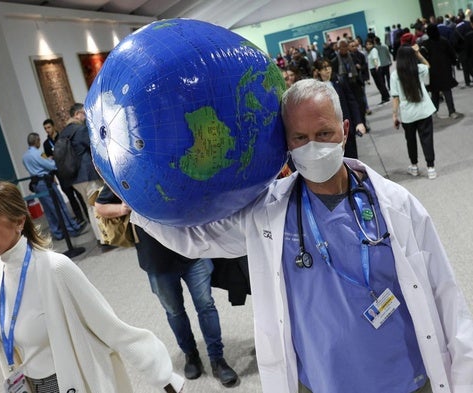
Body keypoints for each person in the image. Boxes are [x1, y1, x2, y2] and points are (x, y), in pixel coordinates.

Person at [132, 79, 473, 393]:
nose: (313, 147)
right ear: (286, 144)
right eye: (300, 138)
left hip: (408, 379)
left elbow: (446, 294)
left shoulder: (397, 205)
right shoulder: (267, 213)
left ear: (344, 131)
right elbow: (195, 237)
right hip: (320, 382)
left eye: (324, 134)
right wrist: (135, 194)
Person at [0, 181, 184, 393]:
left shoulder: (55, 268)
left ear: (18, 221)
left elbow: (112, 328)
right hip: (27, 385)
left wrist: (164, 378)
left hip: (68, 383)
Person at [94, 186, 239, 388]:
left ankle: (217, 359)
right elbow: (100, 206)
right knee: (174, 311)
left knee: (206, 305)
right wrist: (123, 209)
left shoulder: (172, 157)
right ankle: (191, 355)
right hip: (156, 258)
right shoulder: (127, 167)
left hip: (191, 248)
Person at [22, 132, 86, 240]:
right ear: (36, 141)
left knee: (48, 209)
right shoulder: (39, 153)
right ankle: (72, 228)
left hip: (36, 184)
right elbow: (50, 166)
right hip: (46, 182)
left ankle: (57, 232)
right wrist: (53, 161)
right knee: (59, 206)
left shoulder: (25, 156)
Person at [58, 103, 106, 248]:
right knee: (97, 206)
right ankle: (104, 238)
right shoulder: (80, 129)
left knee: (90, 206)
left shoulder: (64, 132)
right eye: (84, 113)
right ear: (77, 114)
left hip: (74, 178)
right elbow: (94, 146)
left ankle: (100, 237)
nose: (85, 116)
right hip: (87, 176)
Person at [391, 45, 437, 180]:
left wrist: (395, 115)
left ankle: (414, 166)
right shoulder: (418, 69)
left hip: (407, 114)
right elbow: (427, 65)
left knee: (410, 141)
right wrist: (418, 54)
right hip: (424, 110)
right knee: (427, 139)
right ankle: (431, 168)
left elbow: (395, 97)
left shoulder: (395, 75)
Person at [313, 58, 366, 159]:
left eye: (329, 67)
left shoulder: (339, 81)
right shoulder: (315, 88)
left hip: (345, 127)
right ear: (318, 71)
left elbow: (351, 102)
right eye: (324, 68)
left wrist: (359, 122)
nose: (328, 70)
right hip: (328, 131)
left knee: (352, 158)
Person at [42, 118, 88, 225]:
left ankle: (87, 214)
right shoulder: (46, 144)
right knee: (70, 196)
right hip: (60, 173)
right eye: (45, 129)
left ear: (53, 126)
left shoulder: (62, 136)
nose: (47, 130)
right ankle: (79, 217)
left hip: (70, 169)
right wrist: (53, 175)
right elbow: (49, 160)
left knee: (79, 194)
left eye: (48, 127)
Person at [420, 24, 463, 120]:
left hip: (432, 72)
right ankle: (451, 112)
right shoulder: (444, 41)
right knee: (447, 91)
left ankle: (434, 112)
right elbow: (451, 54)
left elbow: (422, 58)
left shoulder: (425, 44)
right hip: (445, 70)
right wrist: (454, 62)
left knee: (435, 93)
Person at [365, 38, 390, 105]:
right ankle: (385, 97)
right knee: (379, 84)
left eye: (370, 44)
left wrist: (376, 66)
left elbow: (375, 58)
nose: (368, 45)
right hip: (373, 69)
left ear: (373, 44)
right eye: (367, 44)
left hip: (376, 69)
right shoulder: (370, 51)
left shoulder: (373, 50)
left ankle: (385, 97)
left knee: (380, 84)